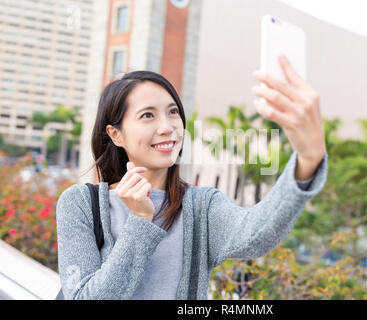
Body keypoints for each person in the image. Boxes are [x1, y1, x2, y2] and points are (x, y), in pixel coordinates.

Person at [56, 54, 328, 300]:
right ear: (116, 135)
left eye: (173, 112)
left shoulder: (201, 206)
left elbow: (256, 235)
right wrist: (140, 221)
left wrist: (307, 159)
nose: (167, 127)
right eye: (148, 115)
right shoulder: (80, 204)